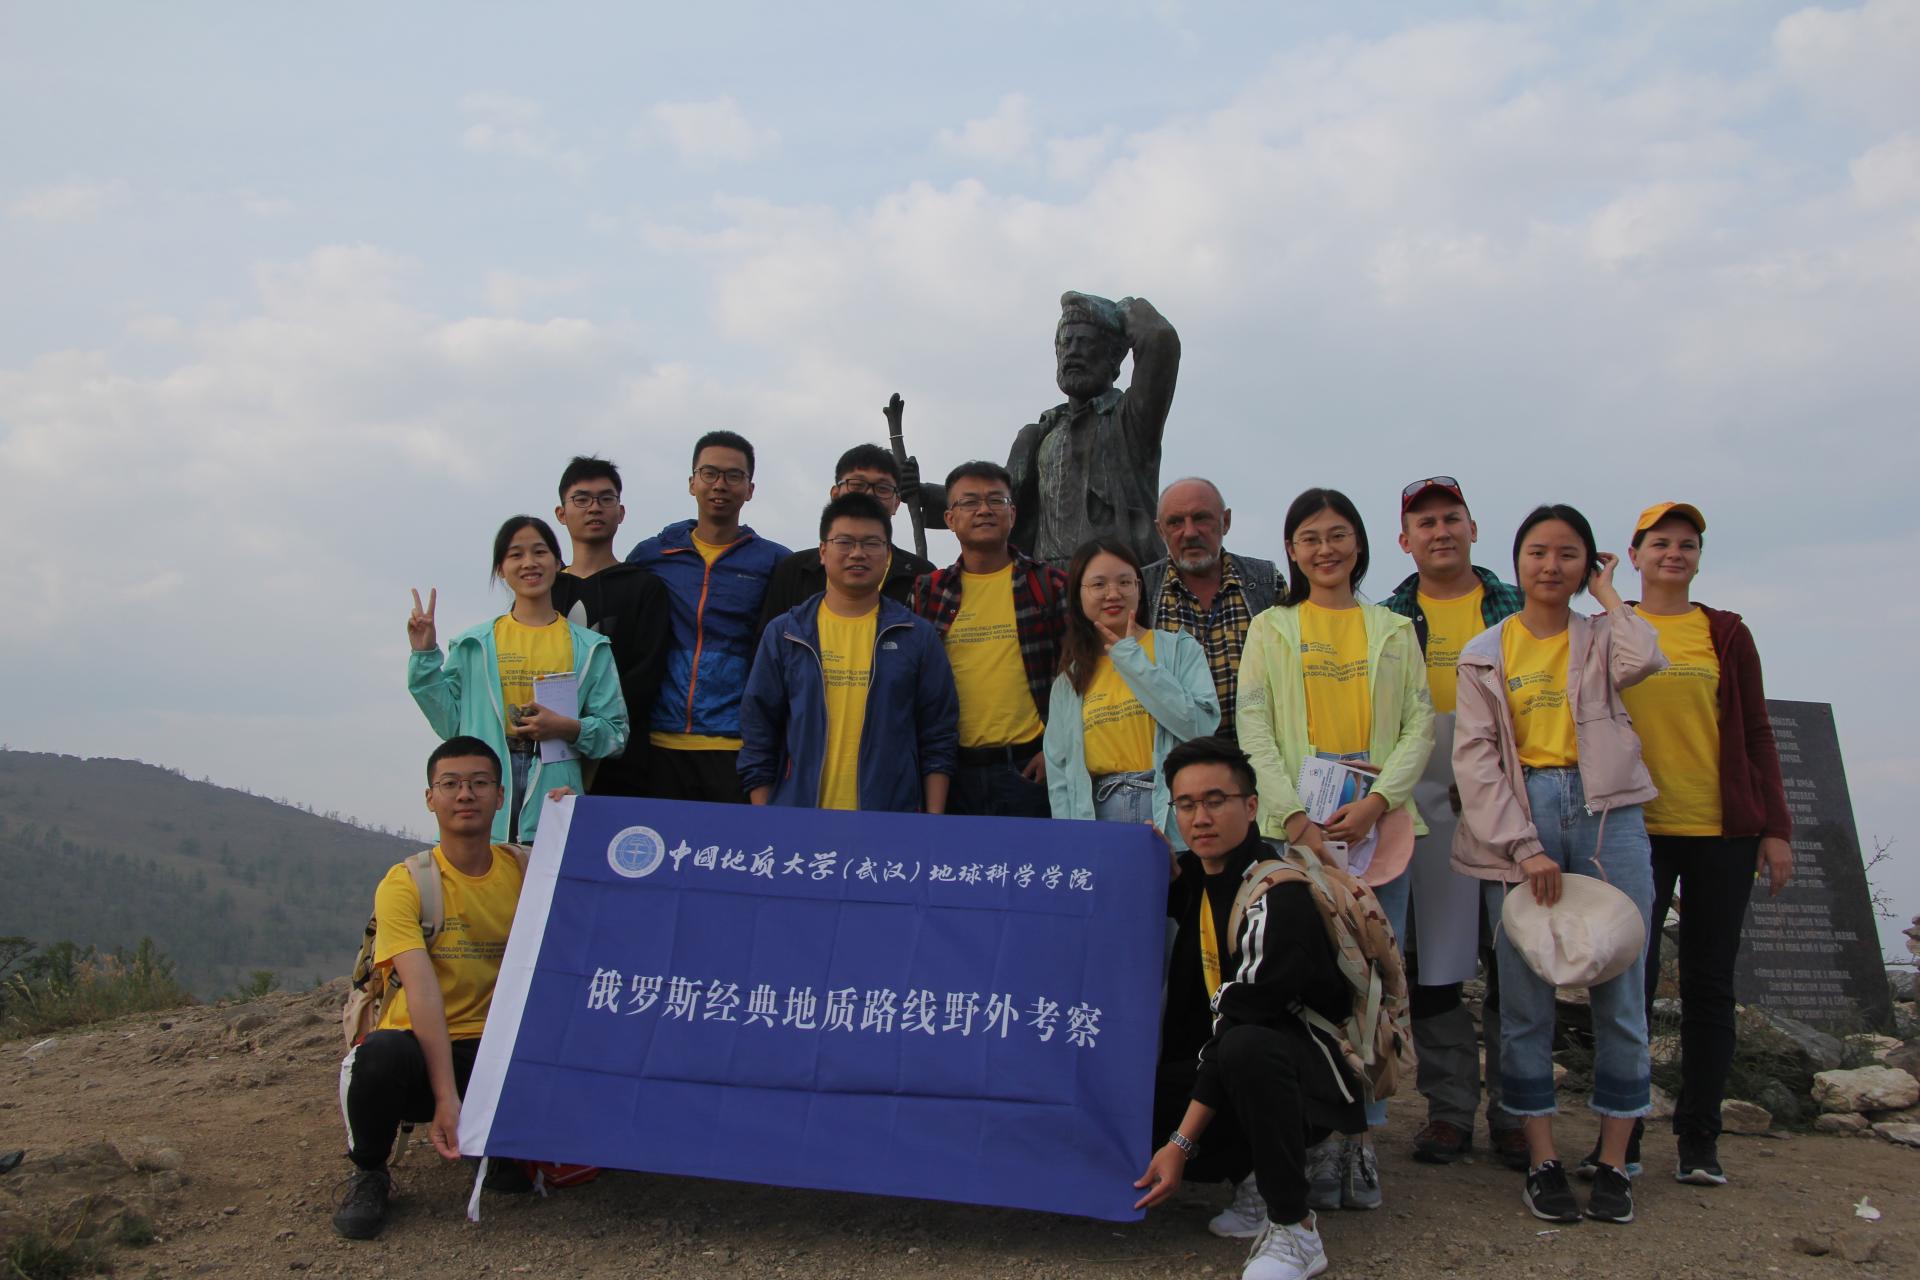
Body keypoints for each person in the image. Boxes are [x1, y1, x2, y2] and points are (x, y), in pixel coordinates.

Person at [1451, 503, 1665, 1226]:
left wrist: (1610, 595)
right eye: (1537, 552)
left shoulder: (1602, 637)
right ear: (1516, 562)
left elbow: (1646, 658)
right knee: (1524, 997)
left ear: (1586, 565)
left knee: (1622, 991)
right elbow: (1476, 759)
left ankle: (1614, 1162)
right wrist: (1525, 846)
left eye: (1568, 554)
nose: (1551, 565)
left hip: (1609, 813)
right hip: (1522, 814)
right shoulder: (1484, 651)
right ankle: (1541, 1157)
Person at [1233, 487, 1433, 1210]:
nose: (1326, 549)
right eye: (1310, 538)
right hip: (1296, 834)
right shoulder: (1272, 627)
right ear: (1291, 550)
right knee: (1306, 983)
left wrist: (1379, 802)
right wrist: (1294, 817)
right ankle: (1316, 1133)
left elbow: (1419, 724)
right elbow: (1253, 726)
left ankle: (1363, 1139)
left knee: (1373, 985)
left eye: (1338, 534)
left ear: (1359, 543)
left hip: (1377, 832)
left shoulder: (1394, 628)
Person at [1133, 738, 1363, 1280]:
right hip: (1230, 1065)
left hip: (1305, 1080)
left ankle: (1293, 1226)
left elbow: (1245, 1022)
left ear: (1252, 805)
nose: (1200, 817)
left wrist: (1180, 1143)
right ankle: (1251, 1173)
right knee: (1132, 1095)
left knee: (1245, 1046)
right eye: (1186, 804)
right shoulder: (1199, 875)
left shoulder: (1278, 895)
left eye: (1216, 801)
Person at [1623, 501, 1793, 1187]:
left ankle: (1699, 1138)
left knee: (1709, 986)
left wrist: (1776, 828)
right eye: (1660, 542)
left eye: (1687, 544)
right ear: (1634, 555)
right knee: (1629, 986)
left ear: (1698, 558)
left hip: (1722, 830)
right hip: (1636, 830)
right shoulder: (1609, 628)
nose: (1674, 553)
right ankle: (1624, 1133)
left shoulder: (1725, 633)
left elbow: (1756, 731)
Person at [1379, 477, 1529, 1169]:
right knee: (1431, 966)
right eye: (1425, 523)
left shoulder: (1518, 609)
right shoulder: (1386, 619)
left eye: (1451, 518)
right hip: (1424, 806)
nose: (1440, 532)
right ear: (1404, 541)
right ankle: (1449, 1108)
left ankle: (1517, 1111)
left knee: (1515, 961)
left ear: (1473, 527)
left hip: (1510, 807)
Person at [334, 738, 527, 1240]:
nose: (465, 794)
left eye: (479, 783)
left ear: (500, 796)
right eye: (451, 784)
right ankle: (370, 1171)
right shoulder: (407, 883)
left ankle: (498, 1144)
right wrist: (446, 1098)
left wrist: (569, 810)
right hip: (422, 1052)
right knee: (379, 1056)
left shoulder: (525, 870)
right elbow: (421, 992)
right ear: (430, 798)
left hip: (499, 1053)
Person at [912, 292, 1180, 567]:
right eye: (1066, 343)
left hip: (1116, 579)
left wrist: (1123, 311)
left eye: (1085, 342)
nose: (1072, 351)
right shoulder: (1040, 435)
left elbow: (1160, 340)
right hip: (1048, 582)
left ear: (1113, 357)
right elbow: (997, 499)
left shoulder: (1130, 420)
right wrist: (922, 494)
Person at [407, 516, 629, 844]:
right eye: (515, 555)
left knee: (545, 874)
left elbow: (615, 735)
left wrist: (566, 727)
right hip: (484, 787)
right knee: (486, 874)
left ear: (558, 563)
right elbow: (450, 723)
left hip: (555, 792)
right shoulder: (474, 644)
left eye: (539, 552)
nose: (529, 563)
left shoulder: (590, 647)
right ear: (501, 569)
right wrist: (424, 654)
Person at [738, 493, 958, 812]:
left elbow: (938, 734)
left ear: (887, 555)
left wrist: (931, 820)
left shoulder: (916, 636)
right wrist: (767, 816)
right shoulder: (786, 633)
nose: (857, 553)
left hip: (892, 819)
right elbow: (758, 731)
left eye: (871, 543)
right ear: (823, 552)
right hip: (798, 817)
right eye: (844, 542)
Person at [628, 431, 791, 803]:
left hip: (736, 743)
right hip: (658, 740)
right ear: (692, 482)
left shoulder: (775, 562)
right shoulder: (652, 556)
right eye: (710, 473)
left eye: (734, 476)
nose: (720, 485)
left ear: (750, 489)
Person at [910, 460, 1069, 818]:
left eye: (996, 500)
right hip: (951, 774)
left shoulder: (1049, 585)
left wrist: (1056, 748)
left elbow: (1081, 673)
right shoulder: (929, 592)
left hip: (1031, 769)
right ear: (950, 519)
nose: (984, 510)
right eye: (969, 502)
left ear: (1012, 514)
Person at [1043, 537, 1218, 844]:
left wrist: (1131, 658)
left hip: (1170, 813)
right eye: (1098, 584)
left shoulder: (1179, 649)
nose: (1113, 594)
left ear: (1139, 588)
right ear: (1078, 595)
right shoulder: (1069, 680)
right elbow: (1059, 774)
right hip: (1099, 819)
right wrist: (1070, 838)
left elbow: (1199, 728)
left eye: (1125, 582)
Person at [549, 455, 670, 797]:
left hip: (622, 757)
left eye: (606, 499)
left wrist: (590, 725)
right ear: (561, 513)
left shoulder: (645, 587)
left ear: (621, 511)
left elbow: (647, 672)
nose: (594, 508)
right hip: (547, 750)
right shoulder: (545, 588)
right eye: (581, 499)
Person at [1142, 478, 1283, 742]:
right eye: (1175, 522)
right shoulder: (1141, 590)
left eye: (1201, 518)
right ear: (1160, 531)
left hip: (1259, 755)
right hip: (1175, 759)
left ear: (1225, 521)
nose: (1189, 532)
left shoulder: (1266, 581)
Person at [757, 444, 936, 630]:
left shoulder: (922, 576)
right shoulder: (794, 571)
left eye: (882, 488)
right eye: (857, 485)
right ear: (835, 494)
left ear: (896, 503)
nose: (869, 495)